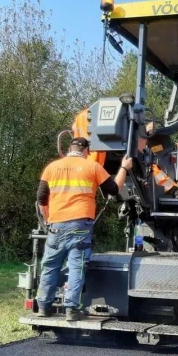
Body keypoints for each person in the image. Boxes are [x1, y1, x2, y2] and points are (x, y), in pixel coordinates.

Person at [35, 137, 133, 321]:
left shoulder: (52, 168)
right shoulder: (92, 167)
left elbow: (41, 198)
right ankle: (71, 310)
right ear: (86, 150)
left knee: (50, 266)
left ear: (69, 148)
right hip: (79, 225)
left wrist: (48, 220)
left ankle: (43, 307)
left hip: (56, 225)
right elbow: (113, 189)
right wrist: (124, 168)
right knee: (76, 268)